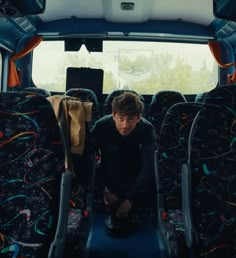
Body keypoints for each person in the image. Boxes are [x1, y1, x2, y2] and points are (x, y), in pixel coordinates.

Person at [91, 92, 157, 236]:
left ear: (139, 118)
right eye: (120, 119)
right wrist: (104, 190)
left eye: (130, 119)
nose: (125, 125)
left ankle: (130, 206)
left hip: (136, 178)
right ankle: (112, 205)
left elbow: (149, 167)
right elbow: (88, 161)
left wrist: (130, 199)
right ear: (114, 115)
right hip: (109, 176)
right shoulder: (101, 126)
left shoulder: (147, 129)